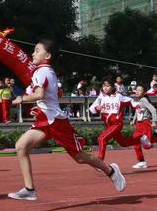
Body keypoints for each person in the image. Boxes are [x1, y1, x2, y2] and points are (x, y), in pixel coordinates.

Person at [8, 40, 126, 201]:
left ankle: (111, 171)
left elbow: (39, 95)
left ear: (47, 56)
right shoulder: (44, 72)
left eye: (36, 50)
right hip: (45, 119)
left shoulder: (42, 72)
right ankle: (30, 189)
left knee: (79, 157)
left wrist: (21, 98)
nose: (33, 53)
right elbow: (53, 93)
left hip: (56, 121)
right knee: (21, 146)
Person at [89, 79, 138, 161]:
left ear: (112, 87)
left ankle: (100, 162)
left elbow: (131, 100)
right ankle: (142, 139)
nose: (105, 88)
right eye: (104, 86)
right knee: (123, 143)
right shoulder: (101, 96)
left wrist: (137, 107)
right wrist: (97, 108)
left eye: (107, 86)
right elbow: (92, 109)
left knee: (101, 139)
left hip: (117, 124)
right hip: (109, 125)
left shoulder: (118, 96)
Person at [118, 85, 157, 169]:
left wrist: (154, 121)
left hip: (145, 124)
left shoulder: (144, 100)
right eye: (136, 90)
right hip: (139, 124)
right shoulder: (137, 100)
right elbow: (138, 112)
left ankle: (155, 134)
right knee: (135, 142)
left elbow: (153, 110)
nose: (137, 91)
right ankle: (142, 161)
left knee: (146, 146)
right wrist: (133, 121)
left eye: (140, 90)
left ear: (144, 93)